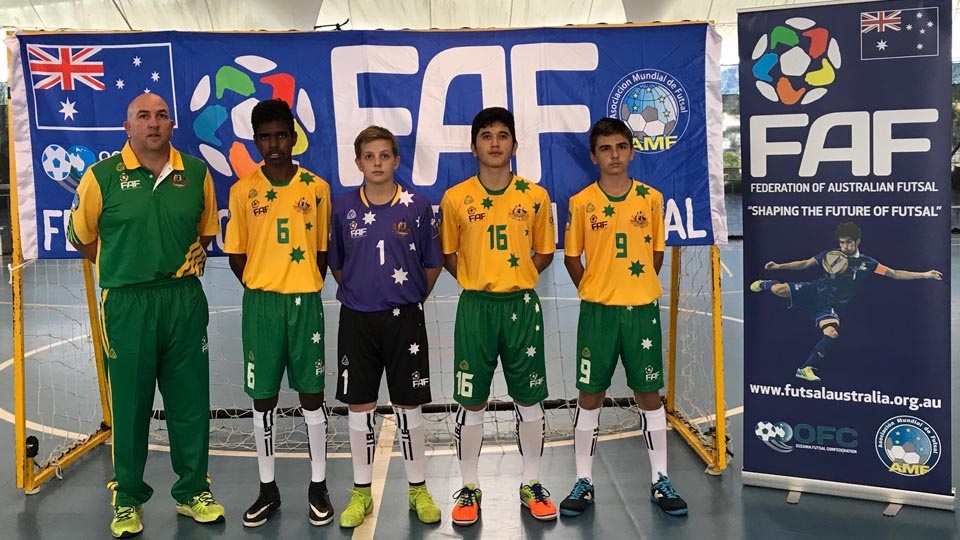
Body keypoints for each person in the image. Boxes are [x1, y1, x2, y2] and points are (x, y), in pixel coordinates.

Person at [66, 93, 225, 538]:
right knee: (131, 405)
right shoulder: (101, 177)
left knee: (189, 402)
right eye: (143, 116)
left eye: (161, 116)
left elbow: (204, 232)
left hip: (183, 299)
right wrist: (122, 265)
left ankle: (193, 491)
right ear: (128, 127)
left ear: (171, 124)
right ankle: (127, 498)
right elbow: (81, 236)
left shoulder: (196, 173)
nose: (153, 123)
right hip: (127, 303)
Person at [558, 117, 688, 518]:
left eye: (620, 147)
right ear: (593, 156)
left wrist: (635, 286)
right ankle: (583, 479)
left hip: (641, 310)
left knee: (648, 393)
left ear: (631, 152)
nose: (613, 155)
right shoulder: (581, 202)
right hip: (597, 312)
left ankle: (660, 478)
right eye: (605, 149)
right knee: (590, 394)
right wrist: (596, 288)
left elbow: (657, 254)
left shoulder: (650, 199)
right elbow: (572, 258)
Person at [439, 107, 557, 526]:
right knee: (472, 400)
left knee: (530, 398)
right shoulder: (455, 198)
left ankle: (531, 482)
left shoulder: (535, 196)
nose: (494, 142)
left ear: (514, 144)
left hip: (521, 307)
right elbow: (449, 254)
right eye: (486, 135)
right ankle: (469, 487)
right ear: (473, 147)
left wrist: (515, 277)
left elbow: (544, 252)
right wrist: (479, 279)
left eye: (502, 135)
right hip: (476, 308)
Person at [223, 99, 333, 528]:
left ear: (294, 137)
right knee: (263, 397)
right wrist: (264, 283)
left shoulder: (316, 188)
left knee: (312, 395)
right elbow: (237, 255)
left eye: (281, 135)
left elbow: (321, 251)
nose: (274, 144)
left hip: (304, 303)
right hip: (262, 305)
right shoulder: (243, 191)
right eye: (265, 137)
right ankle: (267, 488)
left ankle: (318, 485)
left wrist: (301, 281)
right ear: (256, 141)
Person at [328, 126, 444, 528]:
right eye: (369, 156)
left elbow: (433, 263)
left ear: (396, 160)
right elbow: (338, 265)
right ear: (358, 162)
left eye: (384, 155)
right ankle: (361, 492)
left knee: (409, 404)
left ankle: (418, 489)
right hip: (357, 320)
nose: (376, 163)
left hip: (404, 319)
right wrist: (364, 293)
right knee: (359, 404)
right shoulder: (343, 208)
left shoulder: (417, 206)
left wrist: (408, 297)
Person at [750, 221, 943, 381]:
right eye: (842, 243)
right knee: (779, 289)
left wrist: (924, 274)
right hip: (813, 291)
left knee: (832, 333)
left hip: (828, 305)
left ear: (857, 241)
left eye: (849, 243)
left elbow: (895, 273)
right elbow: (806, 263)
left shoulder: (868, 263)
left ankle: (805, 368)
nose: (845, 247)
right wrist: (779, 266)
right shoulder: (831, 255)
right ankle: (765, 283)